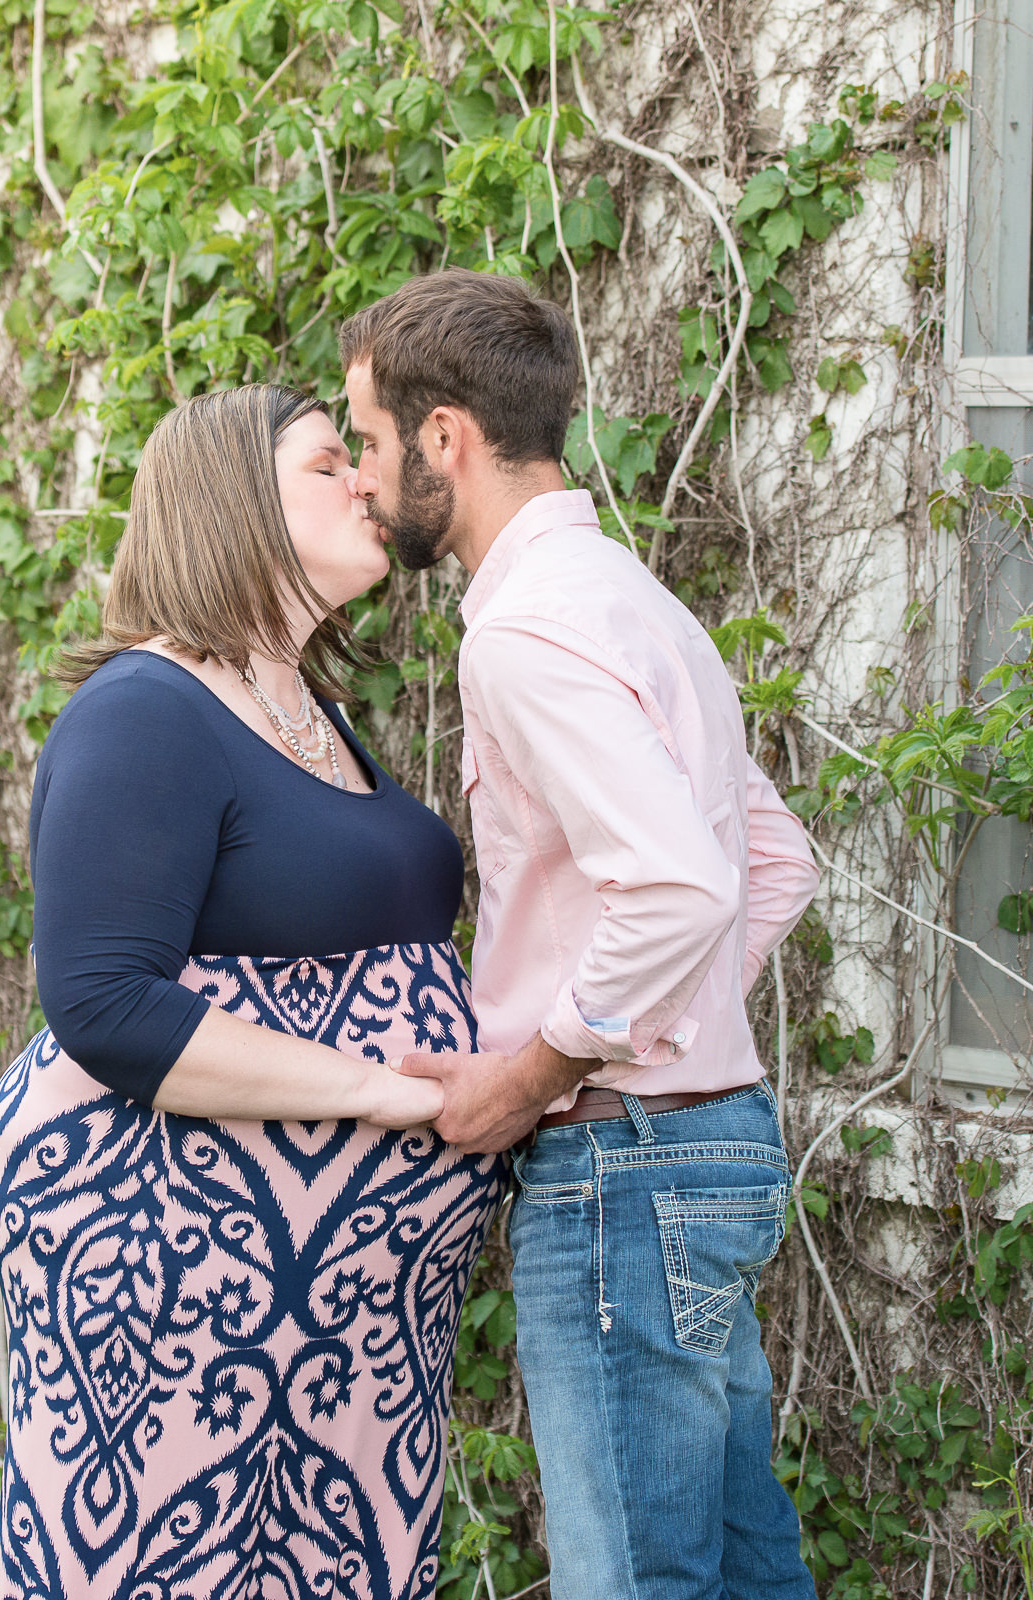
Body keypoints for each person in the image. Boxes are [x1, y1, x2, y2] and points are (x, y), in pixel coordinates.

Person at [339, 268, 822, 1600]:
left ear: (447, 439)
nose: (363, 481)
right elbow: (768, 862)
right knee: (739, 1564)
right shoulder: (633, 600)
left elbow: (681, 888)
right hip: (704, 1141)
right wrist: (675, 1021)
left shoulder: (524, 631)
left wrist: (547, 1063)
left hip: (623, 1163)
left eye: (370, 443)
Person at [0, 383, 506, 1600]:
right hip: (173, 1286)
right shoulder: (145, 710)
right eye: (329, 463)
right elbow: (105, 1003)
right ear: (230, 502)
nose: (366, 482)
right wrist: (382, 1094)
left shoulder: (312, 713)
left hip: (346, 1331)